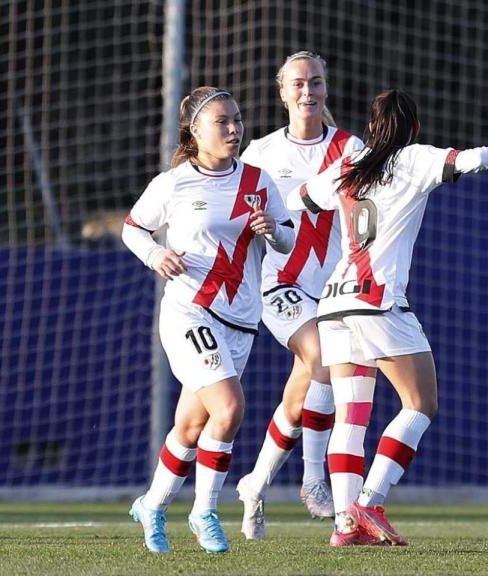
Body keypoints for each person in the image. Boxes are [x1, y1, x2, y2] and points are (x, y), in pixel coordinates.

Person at [286, 89, 488, 546]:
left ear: (372, 128)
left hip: (334, 303)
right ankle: (371, 500)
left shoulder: (348, 165)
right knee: (421, 403)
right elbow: (470, 160)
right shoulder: (414, 158)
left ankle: (345, 527)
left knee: (350, 419)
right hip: (377, 303)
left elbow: (301, 198)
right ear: (412, 128)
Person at [124, 87, 295, 554]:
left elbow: (288, 240)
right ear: (194, 130)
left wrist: (273, 231)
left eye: (237, 120)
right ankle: (205, 512)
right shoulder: (174, 182)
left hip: (240, 322)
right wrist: (156, 253)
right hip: (189, 311)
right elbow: (133, 227)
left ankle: (152, 506)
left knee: (191, 427)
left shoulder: (259, 181)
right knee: (230, 408)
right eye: (222, 122)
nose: (234, 129)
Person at [235, 51, 365, 539]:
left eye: (315, 83)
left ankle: (254, 484)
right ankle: (314, 480)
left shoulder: (351, 148)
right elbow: (234, 217)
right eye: (297, 84)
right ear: (282, 92)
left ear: (326, 89)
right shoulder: (261, 154)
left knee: (299, 396)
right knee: (324, 361)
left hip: (334, 286)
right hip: (279, 283)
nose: (307, 91)